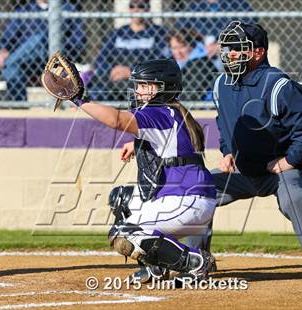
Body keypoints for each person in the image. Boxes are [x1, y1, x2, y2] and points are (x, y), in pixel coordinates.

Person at [184, 21, 302, 280]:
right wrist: (226, 151)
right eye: (227, 48)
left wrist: (291, 160)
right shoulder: (221, 84)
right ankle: (195, 259)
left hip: (277, 170)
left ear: (258, 52)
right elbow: (225, 125)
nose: (229, 54)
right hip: (243, 171)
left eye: (237, 48)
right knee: (197, 190)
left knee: (295, 198)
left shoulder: (278, 84)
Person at [46, 58, 217, 282]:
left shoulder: (160, 112)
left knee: (126, 233)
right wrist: (136, 144)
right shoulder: (170, 111)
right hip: (182, 198)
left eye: (146, 86)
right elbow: (169, 145)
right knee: (122, 200)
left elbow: (117, 120)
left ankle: (195, 262)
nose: (138, 91)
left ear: (163, 88)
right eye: (138, 85)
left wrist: (79, 99)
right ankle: (157, 267)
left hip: (188, 200)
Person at [0, 0, 85, 101]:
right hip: (28, 62)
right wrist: (2, 52)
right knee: (12, 68)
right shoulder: (24, 10)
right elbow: (8, 38)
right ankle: (19, 107)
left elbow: (78, 42)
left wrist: (57, 43)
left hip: (56, 62)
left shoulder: (68, 8)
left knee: (41, 38)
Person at [90, 0, 168, 101]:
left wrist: (132, 71)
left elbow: (160, 61)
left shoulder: (158, 32)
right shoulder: (118, 32)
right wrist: (111, 70)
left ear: (148, 9)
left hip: (141, 80)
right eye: (132, 6)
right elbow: (101, 59)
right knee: (94, 88)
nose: (135, 9)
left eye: (140, 6)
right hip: (115, 77)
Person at [168, 29, 218, 101]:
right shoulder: (176, 65)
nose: (178, 52)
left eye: (182, 47)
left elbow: (190, 96)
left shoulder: (201, 64)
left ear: (192, 45)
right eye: (174, 48)